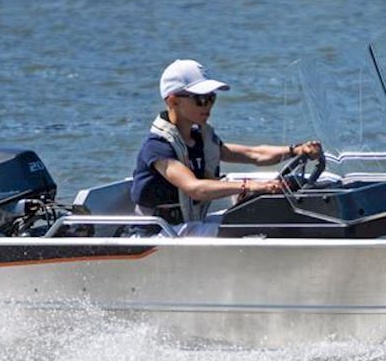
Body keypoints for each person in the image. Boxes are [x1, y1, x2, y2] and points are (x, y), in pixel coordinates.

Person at [131, 59, 323, 234]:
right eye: (200, 99)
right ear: (173, 101)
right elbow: (194, 188)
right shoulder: (158, 147)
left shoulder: (200, 140)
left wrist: (296, 150)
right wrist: (249, 186)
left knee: (260, 219)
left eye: (211, 98)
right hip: (158, 233)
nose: (208, 105)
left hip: (190, 224)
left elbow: (254, 154)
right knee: (247, 232)